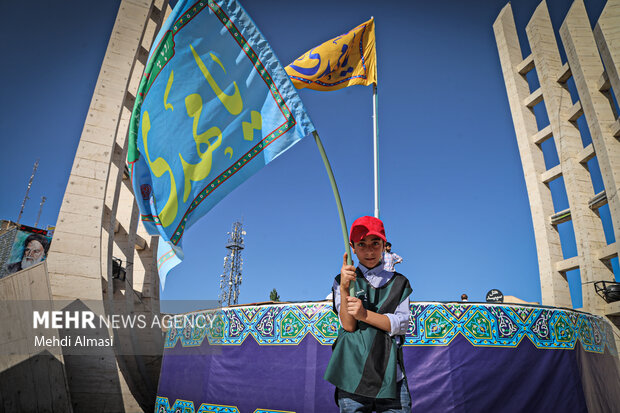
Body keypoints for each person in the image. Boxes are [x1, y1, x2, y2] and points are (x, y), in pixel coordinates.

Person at [324, 216, 413, 412]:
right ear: (352, 247)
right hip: (352, 376)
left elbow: (400, 324)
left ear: (384, 244)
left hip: (391, 377)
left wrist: (365, 315)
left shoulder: (400, 283)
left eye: (375, 243)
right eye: (362, 244)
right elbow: (348, 326)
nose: (370, 250)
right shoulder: (342, 280)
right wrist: (345, 289)